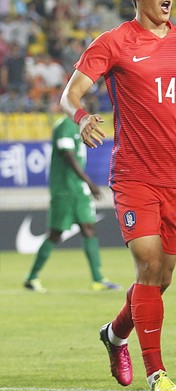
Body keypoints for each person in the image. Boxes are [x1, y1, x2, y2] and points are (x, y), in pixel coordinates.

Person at [60, 0, 176, 391]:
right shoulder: (113, 42)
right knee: (147, 266)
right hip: (133, 175)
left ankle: (115, 334)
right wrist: (81, 117)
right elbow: (70, 94)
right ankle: (158, 374)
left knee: (160, 279)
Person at [23, 115, 120, 293]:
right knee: (56, 234)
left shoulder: (79, 125)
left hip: (78, 190)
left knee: (89, 229)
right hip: (65, 190)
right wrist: (89, 182)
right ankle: (32, 277)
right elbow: (67, 155)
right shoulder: (65, 125)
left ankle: (98, 279)